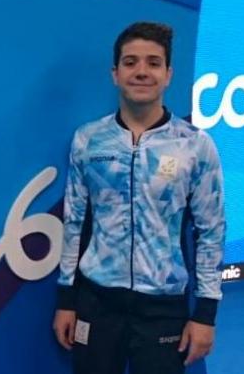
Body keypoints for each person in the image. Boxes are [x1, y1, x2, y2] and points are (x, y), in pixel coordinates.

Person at [52, 22, 226, 374]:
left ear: (168, 74)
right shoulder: (88, 140)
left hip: (163, 308)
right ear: (115, 74)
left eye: (153, 63)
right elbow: (74, 224)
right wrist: (66, 301)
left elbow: (211, 232)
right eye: (130, 63)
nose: (141, 72)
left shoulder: (195, 144)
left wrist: (206, 314)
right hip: (97, 303)